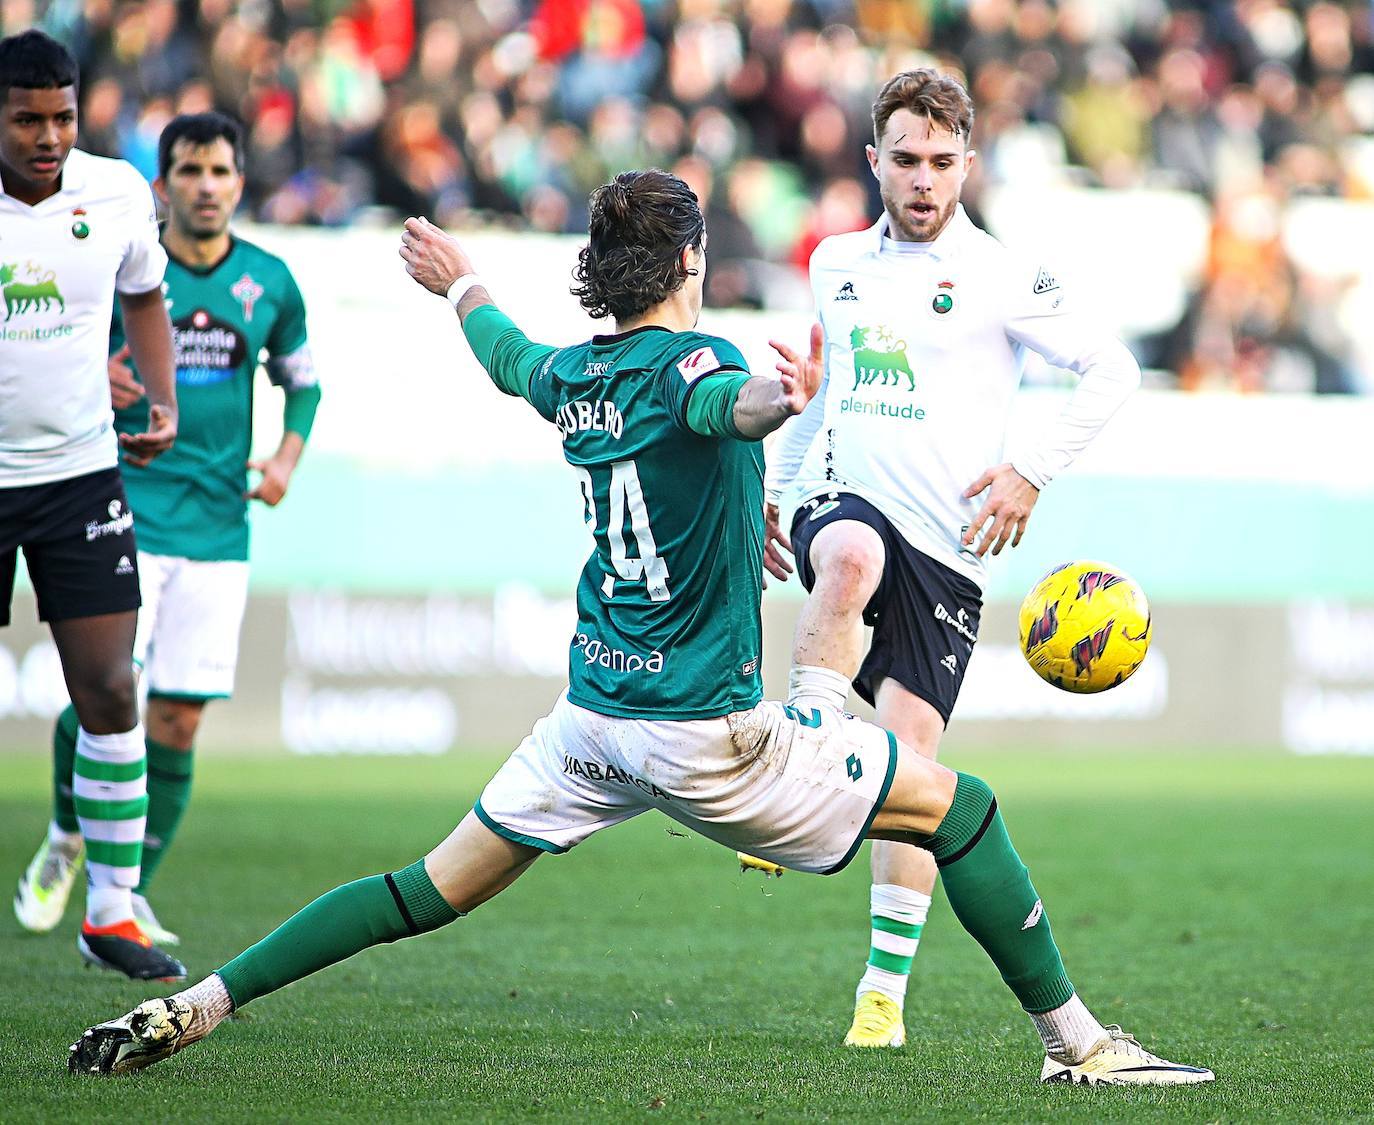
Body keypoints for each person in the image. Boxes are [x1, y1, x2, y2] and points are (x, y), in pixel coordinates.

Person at [69, 170, 1210, 1087]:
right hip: (703, 739)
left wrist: (462, 282)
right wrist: (785, 402)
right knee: (962, 808)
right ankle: (1083, 1048)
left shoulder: (579, 371)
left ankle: (202, 1000)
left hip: (591, 719)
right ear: (686, 266)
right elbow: (728, 402)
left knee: (425, 887)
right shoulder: (697, 361)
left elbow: (507, 356)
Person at [741, 68, 1145, 1050]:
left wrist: (1029, 474)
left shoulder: (1008, 274)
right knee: (842, 559)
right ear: (874, 160)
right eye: (906, 161)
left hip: (953, 548)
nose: (923, 180)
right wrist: (778, 493)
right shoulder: (836, 262)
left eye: (941, 162)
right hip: (855, 503)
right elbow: (826, 391)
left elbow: (1114, 369)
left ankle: (882, 993)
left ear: (968, 163)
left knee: (913, 772)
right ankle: (801, 747)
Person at [13, 111, 322, 946]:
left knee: (178, 720)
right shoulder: (126, 269)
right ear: (164, 184)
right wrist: (102, 375)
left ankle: (124, 898)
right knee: (108, 689)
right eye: (190, 171)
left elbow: (304, 384)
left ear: (240, 181)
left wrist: (287, 456)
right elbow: (63, 349)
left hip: (222, 526)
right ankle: (66, 837)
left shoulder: (271, 281)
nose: (207, 187)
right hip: (130, 508)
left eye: (221, 171)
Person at [0, 29, 183, 981]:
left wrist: (163, 398)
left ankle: (110, 909)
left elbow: (144, 292)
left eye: (62, 117)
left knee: (112, 687)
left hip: (78, 476)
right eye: (27, 118)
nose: (47, 136)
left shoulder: (115, 190)